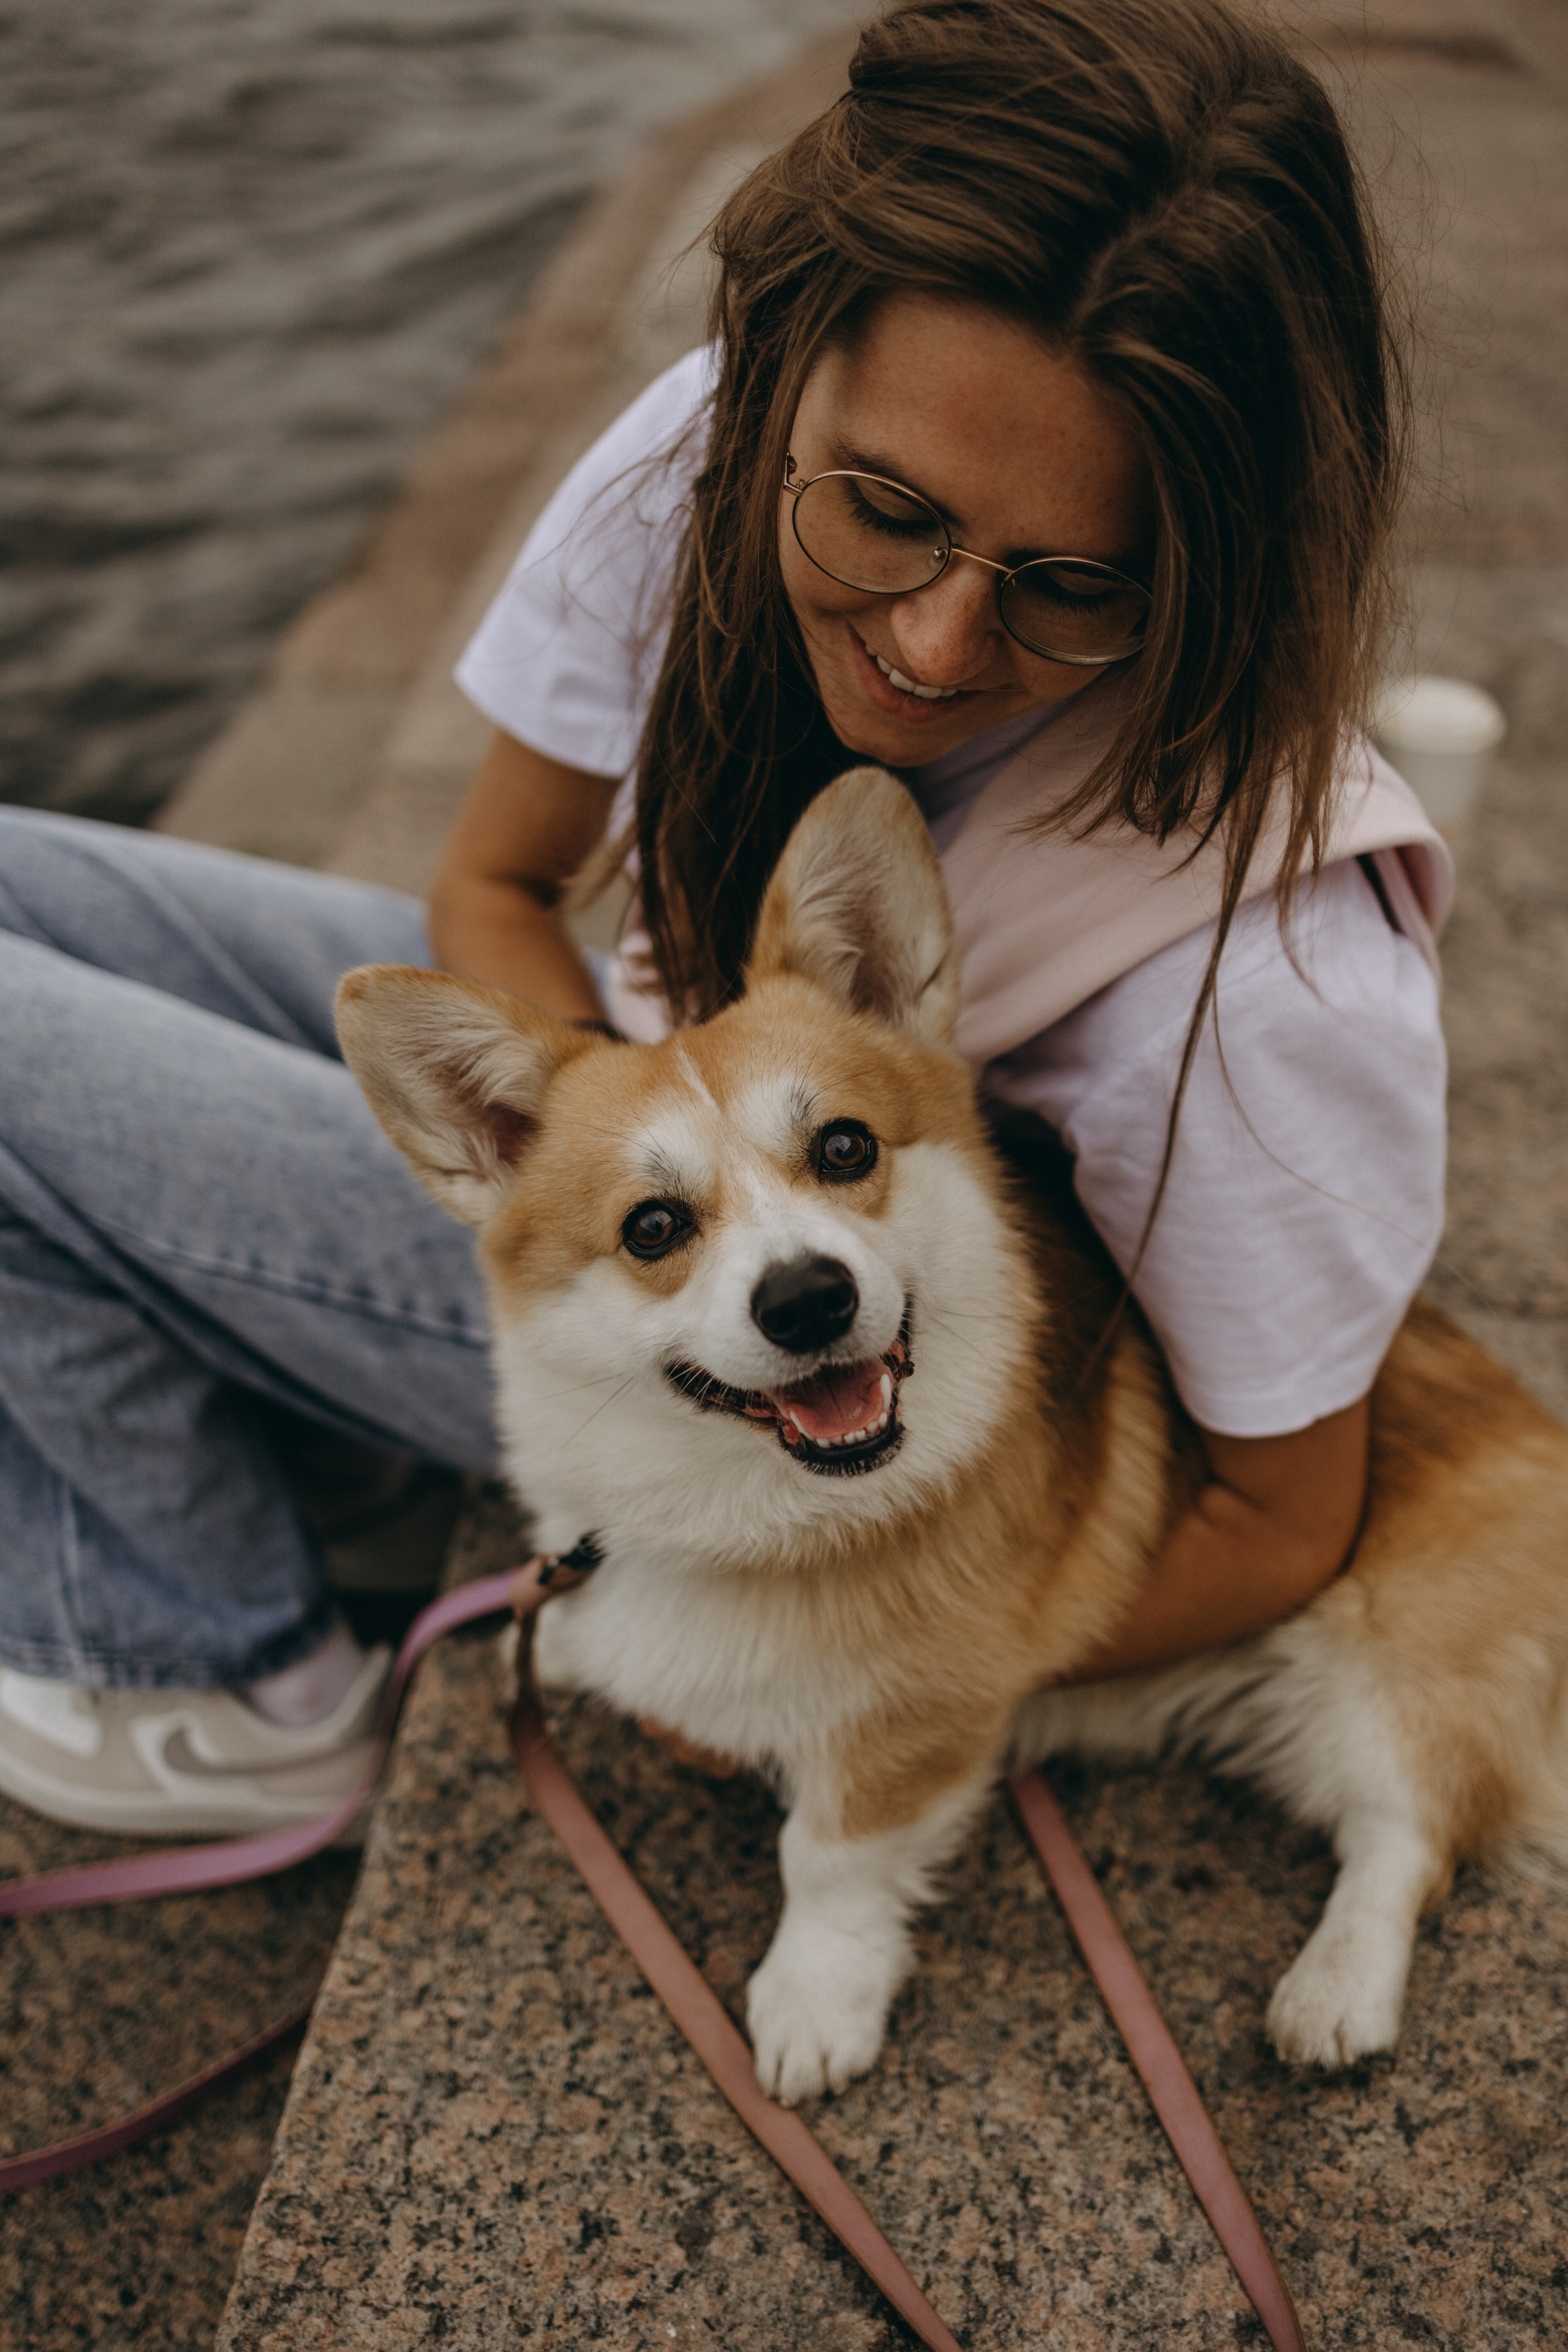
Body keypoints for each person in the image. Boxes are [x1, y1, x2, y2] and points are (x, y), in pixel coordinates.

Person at [0, 0, 1448, 1836]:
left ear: (1221, 556)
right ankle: (285, 1406)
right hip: (665, 1197)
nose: (933, 642)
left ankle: (203, 1657)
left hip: (782, 1401)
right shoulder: (714, 454)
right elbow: (500, 885)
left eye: (1080, 582)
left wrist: (834, 1690)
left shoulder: (1266, 990)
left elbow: (1281, 1520)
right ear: (780, 372)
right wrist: (625, 1152)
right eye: (886, 509)